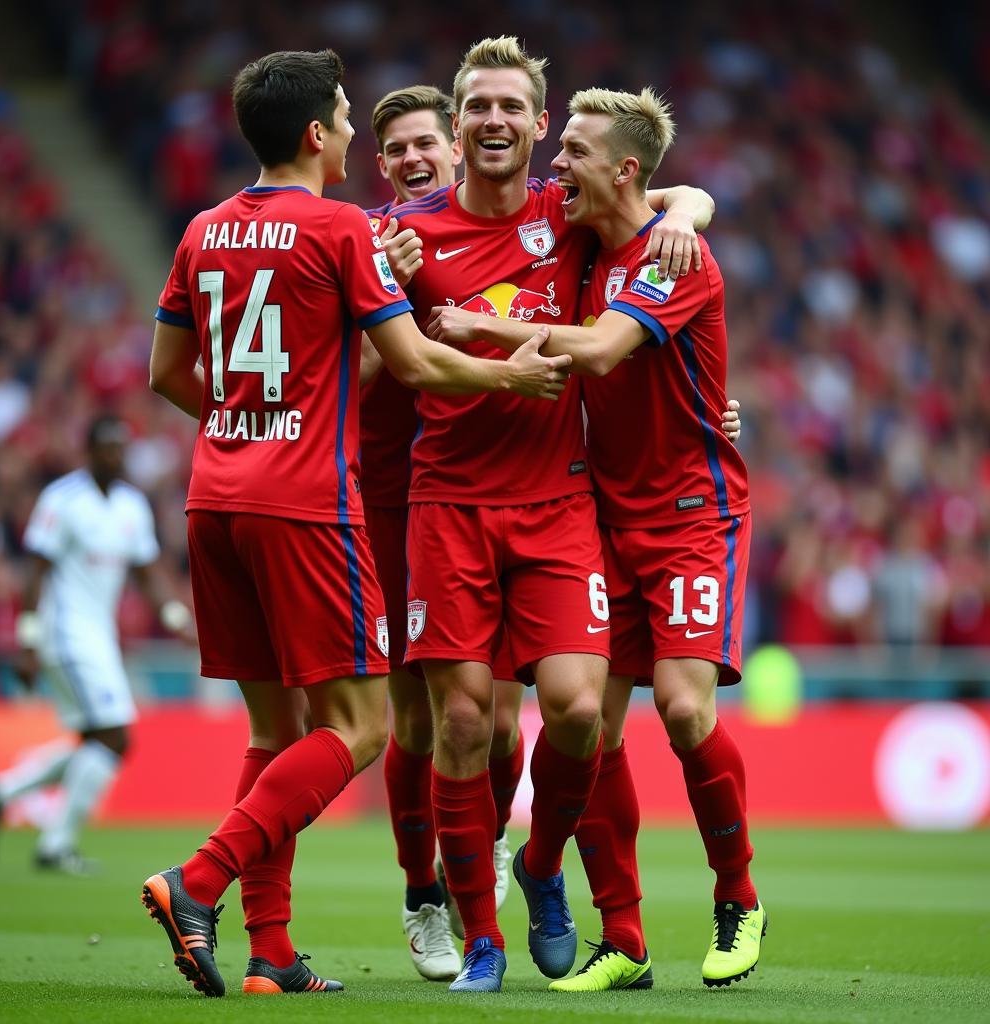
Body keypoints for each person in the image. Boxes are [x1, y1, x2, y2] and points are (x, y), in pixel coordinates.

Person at [142, 48, 569, 999]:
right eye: (343, 119)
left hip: (214, 498)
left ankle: (272, 953)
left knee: (273, 732)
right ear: (315, 136)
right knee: (365, 725)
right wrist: (514, 375)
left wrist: (250, 418)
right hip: (305, 507)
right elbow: (414, 364)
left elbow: (167, 375)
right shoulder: (341, 229)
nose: (349, 133)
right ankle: (197, 879)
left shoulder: (203, 228)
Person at [386, 36, 716, 992]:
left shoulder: (564, 214)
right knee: (460, 722)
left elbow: (668, 196)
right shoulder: (400, 237)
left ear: (539, 124)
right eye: (476, 106)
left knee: (576, 710)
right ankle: (479, 940)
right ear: (458, 125)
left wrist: (688, 207)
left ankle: (539, 869)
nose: (493, 120)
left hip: (557, 503)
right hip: (446, 502)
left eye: (511, 107)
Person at [363, 85, 524, 982]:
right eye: (397, 150)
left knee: (500, 723)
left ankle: (487, 844)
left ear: (456, 150)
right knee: (417, 717)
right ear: (381, 166)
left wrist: (691, 205)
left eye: (428, 142)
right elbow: (344, 374)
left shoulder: (506, 225)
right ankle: (424, 892)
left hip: (492, 496)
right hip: (389, 502)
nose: (415, 158)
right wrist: (382, 287)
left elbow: (650, 197)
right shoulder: (368, 244)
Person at [0, 414, 195, 874]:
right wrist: (28, 641)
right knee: (115, 738)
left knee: (96, 740)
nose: (116, 456)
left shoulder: (132, 506)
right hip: (66, 632)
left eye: (121, 448)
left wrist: (175, 616)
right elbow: (35, 572)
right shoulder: (63, 500)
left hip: (99, 636)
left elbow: (146, 573)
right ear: (90, 451)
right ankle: (55, 844)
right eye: (109, 448)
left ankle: (3, 792)